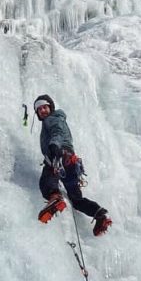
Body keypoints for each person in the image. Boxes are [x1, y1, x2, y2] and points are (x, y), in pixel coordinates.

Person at [33, 94, 112, 236]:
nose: (43, 111)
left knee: (47, 179)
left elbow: (57, 132)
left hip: (59, 155)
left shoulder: (52, 120)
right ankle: (100, 215)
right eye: (39, 109)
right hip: (71, 163)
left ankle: (55, 197)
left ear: (50, 107)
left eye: (45, 107)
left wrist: (54, 147)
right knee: (76, 200)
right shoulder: (58, 119)